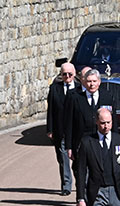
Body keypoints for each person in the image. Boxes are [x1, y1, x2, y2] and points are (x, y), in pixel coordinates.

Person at [65, 69, 118, 162]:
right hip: (81, 142)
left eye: (94, 81)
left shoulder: (107, 96)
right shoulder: (76, 98)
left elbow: (114, 121)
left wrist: (116, 143)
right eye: (89, 81)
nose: (92, 84)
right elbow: (69, 123)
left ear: (99, 82)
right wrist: (69, 147)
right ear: (84, 82)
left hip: (101, 141)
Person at [46, 62, 77, 196]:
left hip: (77, 131)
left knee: (79, 160)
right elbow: (51, 110)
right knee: (63, 159)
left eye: (70, 74)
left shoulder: (81, 88)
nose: (67, 76)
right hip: (61, 130)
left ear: (74, 75)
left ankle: (82, 185)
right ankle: (66, 186)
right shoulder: (55, 88)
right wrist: (50, 129)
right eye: (64, 74)